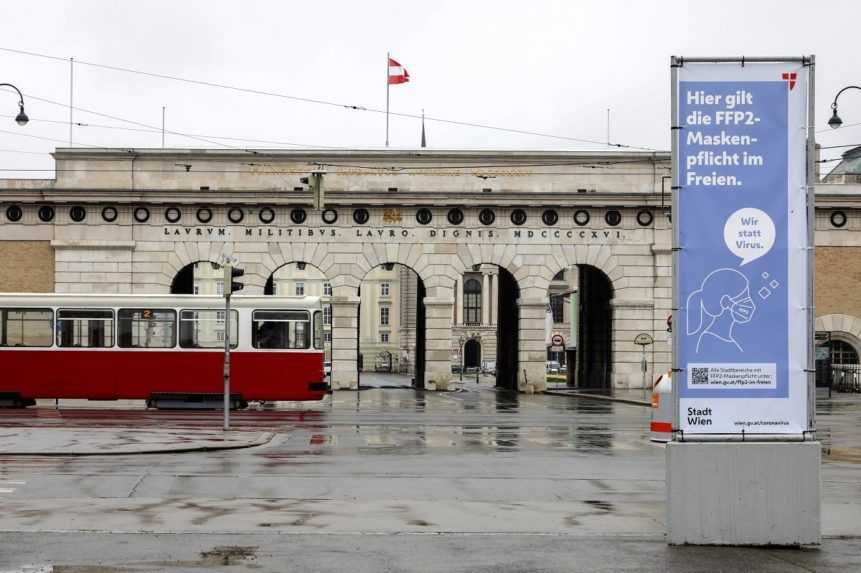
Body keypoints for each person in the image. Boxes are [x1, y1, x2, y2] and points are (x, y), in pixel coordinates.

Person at [686, 268, 755, 353]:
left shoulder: (724, 340)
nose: (750, 304)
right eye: (744, 298)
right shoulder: (711, 342)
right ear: (725, 302)